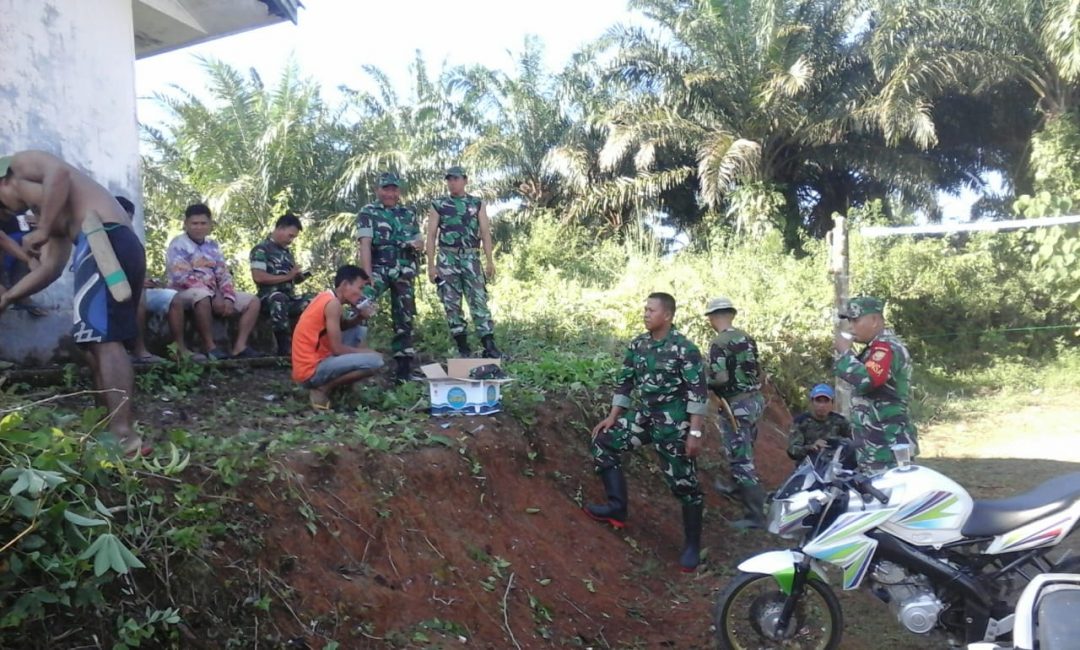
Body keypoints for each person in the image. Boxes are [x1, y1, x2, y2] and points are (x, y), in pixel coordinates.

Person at [0, 151, 148, 456]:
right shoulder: (52, 211)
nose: (10, 214)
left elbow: (60, 174)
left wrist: (41, 230)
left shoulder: (21, 163)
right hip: (103, 244)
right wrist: (9, 297)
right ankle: (109, 429)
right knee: (93, 343)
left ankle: (124, 437)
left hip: (104, 240)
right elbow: (50, 269)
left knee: (105, 341)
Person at [586, 292, 709, 572]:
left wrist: (694, 434)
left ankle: (692, 546)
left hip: (674, 425)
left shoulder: (684, 349)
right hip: (643, 418)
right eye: (645, 309)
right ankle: (617, 508)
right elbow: (625, 382)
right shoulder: (638, 344)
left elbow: (698, 394)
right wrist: (612, 417)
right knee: (603, 441)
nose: (645, 314)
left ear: (667, 316)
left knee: (684, 485)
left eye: (651, 310)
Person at [166, 203, 261, 360]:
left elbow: (223, 273)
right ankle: (211, 347)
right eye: (194, 223)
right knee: (202, 296)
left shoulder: (213, 245)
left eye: (203, 223)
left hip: (215, 292)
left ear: (210, 225)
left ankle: (240, 346)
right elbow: (181, 277)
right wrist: (213, 293)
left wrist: (228, 297)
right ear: (186, 224)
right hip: (183, 292)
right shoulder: (178, 244)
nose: (198, 227)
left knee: (253, 301)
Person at [704, 296, 767, 529]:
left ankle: (756, 517)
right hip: (755, 401)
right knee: (744, 447)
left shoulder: (719, 343)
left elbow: (721, 378)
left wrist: (703, 380)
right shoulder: (747, 338)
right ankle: (734, 485)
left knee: (742, 459)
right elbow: (758, 371)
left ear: (712, 317)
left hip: (737, 406)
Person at [425, 166, 501, 358]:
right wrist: (431, 265)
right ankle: (462, 347)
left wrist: (489, 260)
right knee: (451, 302)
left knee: (478, 299)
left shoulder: (476, 203)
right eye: (449, 179)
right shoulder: (439, 204)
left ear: (465, 180)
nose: (452, 183)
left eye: (456, 179)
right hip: (447, 258)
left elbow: (485, 232)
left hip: (471, 257)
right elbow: (431, 235)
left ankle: (489, 344)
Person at [834, 296, 917, 470]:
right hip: (875, 446)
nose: (850, 326)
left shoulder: (886, 348)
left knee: (890, 495)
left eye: (855, 320)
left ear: (874, 320)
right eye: (849, 320)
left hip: (887, 447)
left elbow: (868, 380)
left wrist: (844, 354)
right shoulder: (874, 348)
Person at [357, 172, 422, 383]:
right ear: (378, 190)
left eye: (394, 189)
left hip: (404, 269)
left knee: (404, 316)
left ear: (399, 191)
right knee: (361, 303)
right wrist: (366, 275)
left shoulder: (408, 213)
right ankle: (352, 352)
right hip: (379, 267)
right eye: (386, 189)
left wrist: (417, 244)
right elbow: (365, 244)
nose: (390, 193)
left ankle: (403, 366)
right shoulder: (368, 212)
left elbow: (418, 240)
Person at [292, 265, 384, 410]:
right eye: (360, 288)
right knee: (376, 361)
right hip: (310, 371)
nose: (361, 294)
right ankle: (323, 388)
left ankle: (342, 389)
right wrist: (369, 353)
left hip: (317, 362)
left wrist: (360, 317)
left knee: (359, 330)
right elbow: (337, 349)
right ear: (345, 285)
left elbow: (342, 328)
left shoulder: (328, 298)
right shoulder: (333, 304)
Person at [114, 196, 189, 363]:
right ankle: (139, 350)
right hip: (114, 291)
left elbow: (136, 270)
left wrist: (147, 280)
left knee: (173, 298)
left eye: (129, 217)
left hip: (137, 287)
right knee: (139, 297)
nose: (126, 221)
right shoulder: (103, 239)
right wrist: (137, 282)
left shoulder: (132, 240)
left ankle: (180, 349)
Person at [250, 213, 312, 356]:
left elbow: (289, 279)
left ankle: (310, 343)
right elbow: (258, 277)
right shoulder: (261, 249)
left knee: (316, 300)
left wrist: (297, 277)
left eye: (294, 237)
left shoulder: (287, 253)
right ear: (280, 228)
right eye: (290, 236)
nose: (291, 240)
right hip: (268, 298)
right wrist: (287, 276)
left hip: (289, 297)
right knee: (278, 298)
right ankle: (284, 347)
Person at [786, 383, 852, 462]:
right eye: (818, 401)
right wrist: (811, 447)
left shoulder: (841, 422)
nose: (822, 405)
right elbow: (792, 450)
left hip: (835, 467)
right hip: (808, 468)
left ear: (832, 403)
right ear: (812, 402)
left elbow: (854, 444)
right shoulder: (801, 422)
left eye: (826, 401)